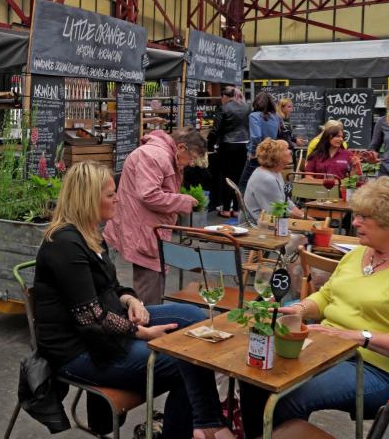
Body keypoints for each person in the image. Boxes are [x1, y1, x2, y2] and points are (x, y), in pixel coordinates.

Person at [35, 161, 235, 439]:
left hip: (106, 328)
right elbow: (90, 317)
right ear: (87, 198)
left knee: (193, 316)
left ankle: (205, 421)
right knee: (186, 361)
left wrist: (132, 301)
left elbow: (112, 286)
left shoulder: (90, 233)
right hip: (80, 351)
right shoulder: (65, 244)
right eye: (110, 194)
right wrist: (142, 332)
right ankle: (197, 427)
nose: (117, 198)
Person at [239, 177, 389, 438]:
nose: (354, 223)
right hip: (327, 348)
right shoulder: (356, 254)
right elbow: (326, 296)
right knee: (254, 371)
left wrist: (360, 337)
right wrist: (300, 309)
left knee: (288, 395)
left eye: (364, 217)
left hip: (380, 368)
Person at [104, 128, 207, 305]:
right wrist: (182, 201)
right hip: (143, 232)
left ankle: (150, 326)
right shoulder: (155, 156)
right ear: (181, 147)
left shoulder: (161, 154)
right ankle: (147, 330)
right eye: (191, 157)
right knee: (149, 296)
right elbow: (148, 195)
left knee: (153, 288)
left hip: (148, 230)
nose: (191, 163)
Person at [209, 86, 250, 218]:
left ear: (225, 97)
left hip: (227, 145)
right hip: (243, 144)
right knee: (238, 177)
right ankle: (237, 209)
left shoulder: (223, 108)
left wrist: (209, 145)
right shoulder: (246, 107)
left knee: (227, 177)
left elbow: (216, 129)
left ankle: (226, 209)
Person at [243, 138, 304, 220]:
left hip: (271, 220)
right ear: (277, 156)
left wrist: (302, 214)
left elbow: (286, 201)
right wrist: (304, 218)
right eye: (286, 149)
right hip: (257, 224)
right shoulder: (266, 178)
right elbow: (276, 210)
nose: (290, 151)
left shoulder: (276, 173)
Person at [238, 92, 280, 190]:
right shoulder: (275, 117)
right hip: (271, 154)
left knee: (244, 184)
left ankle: (245, 205)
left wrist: (253, 153)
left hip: (258, 155)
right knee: (263, 184)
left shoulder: (254, 116)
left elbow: (256, 137)